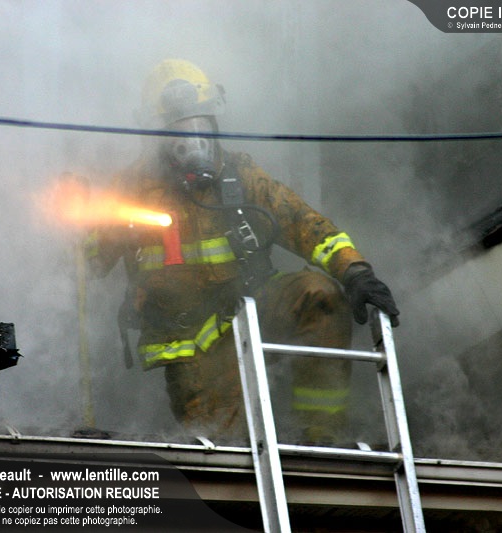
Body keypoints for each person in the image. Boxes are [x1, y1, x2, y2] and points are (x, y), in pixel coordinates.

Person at [86, 59, 399, 444]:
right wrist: (84, 219)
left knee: (319, 297)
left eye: (200, 124)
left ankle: (321, 440)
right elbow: (90, 263)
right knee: (226, 455)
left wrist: (354, 271)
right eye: (179, 130)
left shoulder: (237, 173)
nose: (193, 140)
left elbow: (300, 221)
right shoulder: (132, 188)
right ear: (156, 136)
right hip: (191, 346)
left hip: (251, 308)